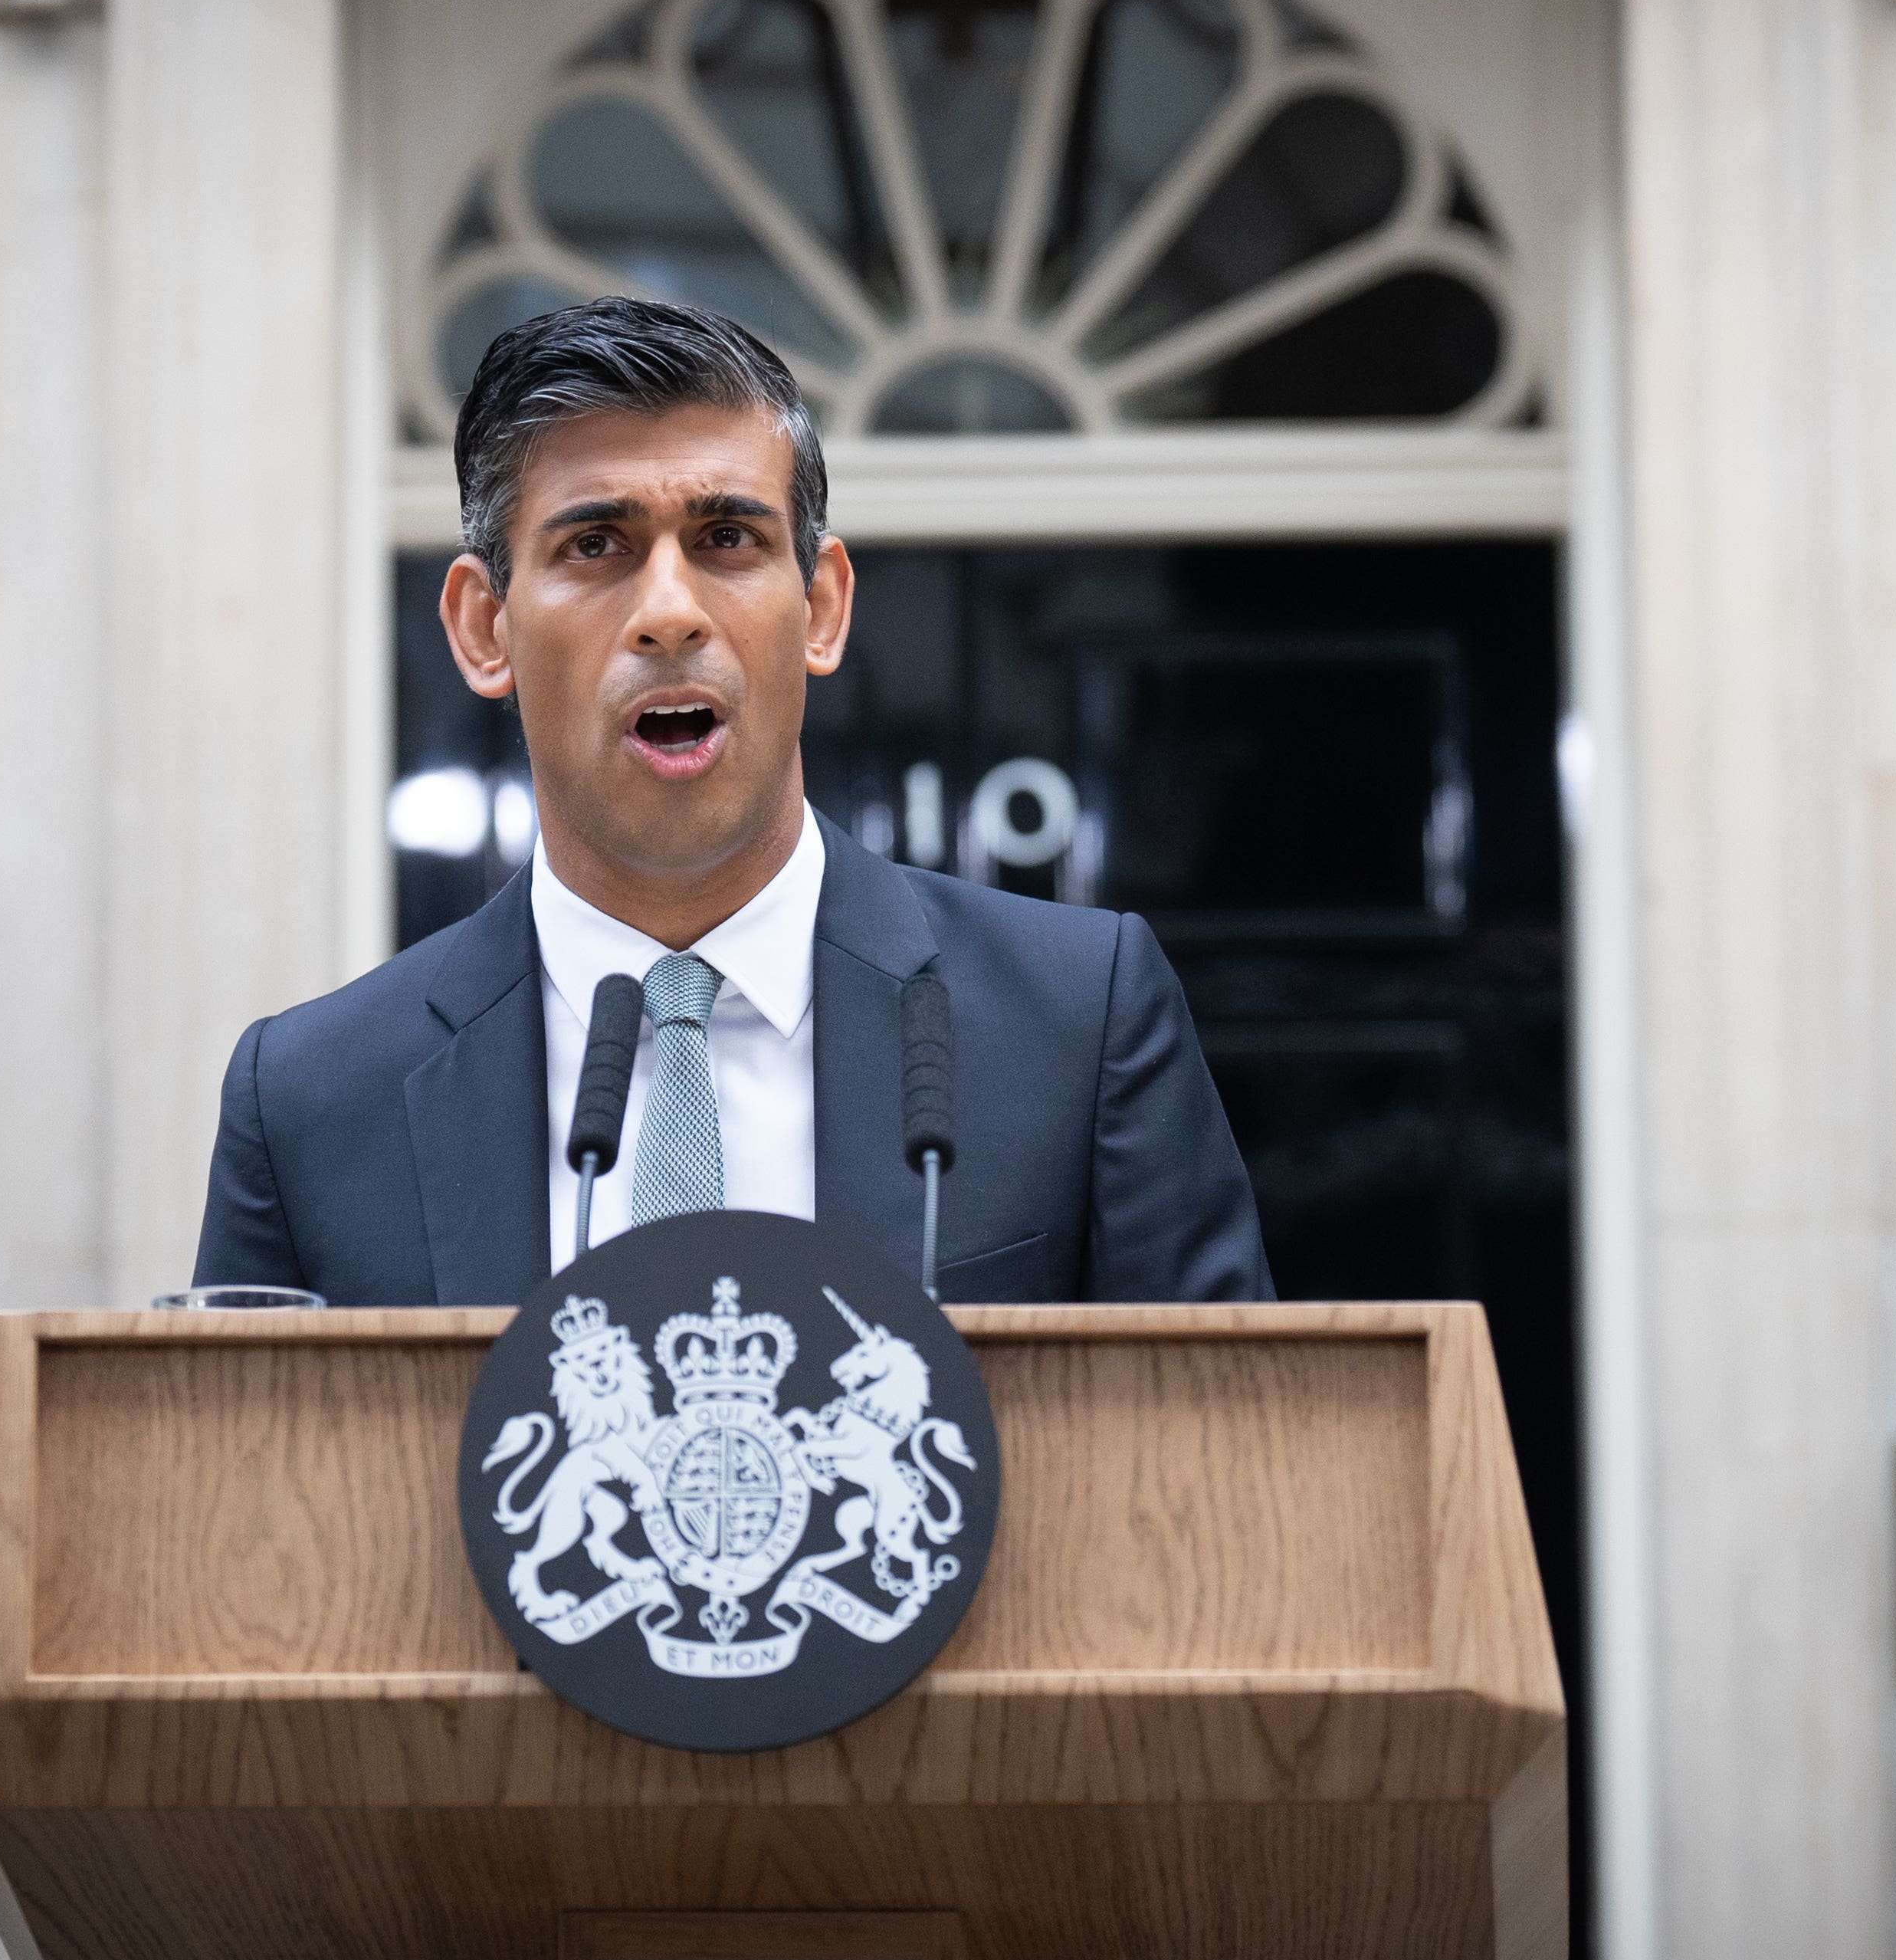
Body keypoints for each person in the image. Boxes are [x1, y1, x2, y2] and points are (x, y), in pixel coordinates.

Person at [193, 297, 1269, 1307]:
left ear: (822, 607)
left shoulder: (1080, 1024)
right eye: (595, 544)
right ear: (485, 627)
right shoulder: (307, 1103)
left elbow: (1227, 1469)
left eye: (726, 541)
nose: (669, 611)